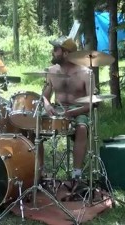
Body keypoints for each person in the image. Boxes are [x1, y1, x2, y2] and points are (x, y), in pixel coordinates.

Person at [41, 36, 95, 180]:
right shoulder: (51, 71)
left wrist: (72, 112)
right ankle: (39, 172)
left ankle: (77, 173)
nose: (52, 52)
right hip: (57, 109)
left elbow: (91, 103)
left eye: (55, 49)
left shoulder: (86, 73)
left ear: (66, 53)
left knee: (82, 128)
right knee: (32, 125)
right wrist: (46, 104)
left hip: (79, 110)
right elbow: (44, 96)